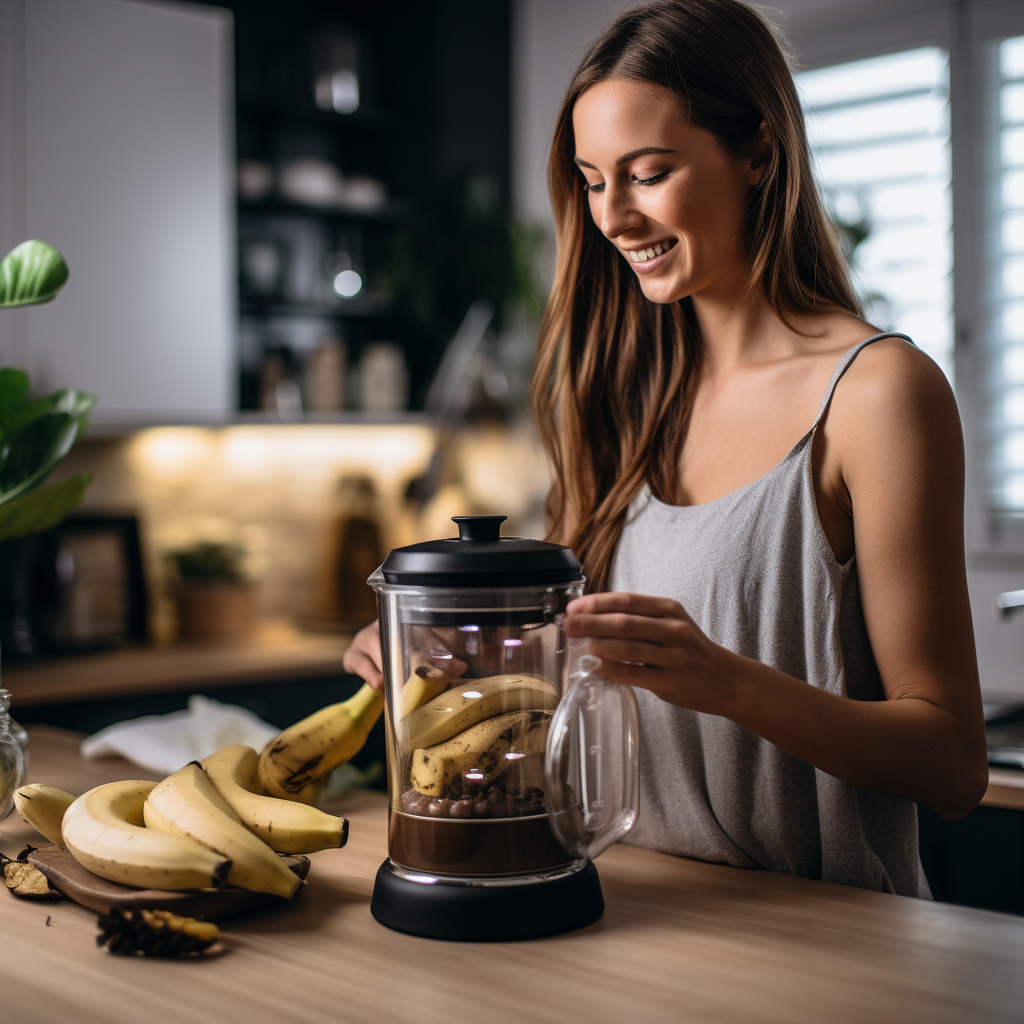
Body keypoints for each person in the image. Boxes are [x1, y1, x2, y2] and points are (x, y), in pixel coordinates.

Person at [345, 0, 988, 897]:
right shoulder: (620, 398)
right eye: (593, 180)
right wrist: (447, 655)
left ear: (759, 152)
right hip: (636, 916)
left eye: (649, 174)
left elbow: (954, 765)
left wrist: (727, 682)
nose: (614, 216)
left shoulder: (877, 394)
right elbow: (579, 678)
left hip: (827, 943)